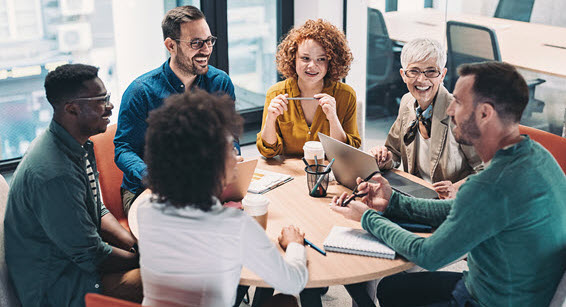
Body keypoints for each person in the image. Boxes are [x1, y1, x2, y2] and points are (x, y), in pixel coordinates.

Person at [331, 61, 566, 306]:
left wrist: (368, 217)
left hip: (485, 301)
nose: (450, 110)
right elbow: (458, 209)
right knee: (392, 288)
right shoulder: (536, 156)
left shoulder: (491, 185)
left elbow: (428, 255)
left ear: (484, 113)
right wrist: (392, 202)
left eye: (459, 102)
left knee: (393, 288)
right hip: (502, 288)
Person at [137, 89, 308, 306]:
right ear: (207, 163)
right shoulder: (233, 225)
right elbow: (293, 282)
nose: (236, 156)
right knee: (286, 301)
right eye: (228, 148)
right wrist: (295, 245)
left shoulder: (146, 210)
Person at [4, 64, 142, 306]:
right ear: (72, 109)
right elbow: (91, 255)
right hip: (59, 289)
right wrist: (144, 259)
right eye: (102, 100)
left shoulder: (75, 144)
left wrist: (133, 244)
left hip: (73, 265)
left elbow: (96, 208)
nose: (110, 107)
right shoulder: (54, 173)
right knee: (169, 278)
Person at [114, 5, 238, 216]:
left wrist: (233, 155)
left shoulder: (221, 83)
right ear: (171, 45)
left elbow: (230, 136)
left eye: (209, 41)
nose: (206, 50)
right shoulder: (140, 92)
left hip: (204, 184)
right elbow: (123, 149)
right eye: (196, 43)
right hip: (148, 190)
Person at [368, 38, 482, 199]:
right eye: (414, 71)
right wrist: (382, 158)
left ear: (442, 75)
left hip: (449, 204)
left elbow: (488, 170)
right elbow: (393, 152)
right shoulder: (407, 102)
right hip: (414, 195)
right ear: (403, 75)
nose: (422, 79)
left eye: (431, 71)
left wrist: (457, 188)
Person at [257, 19, 361, 158]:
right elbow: (268, 151)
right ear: (293, 58)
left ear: (331, 61)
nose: (312, 66)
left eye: (321, 59)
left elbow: (347, 153)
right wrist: (270, 119)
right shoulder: (276, 93)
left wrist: (332, 118)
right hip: (290, 174)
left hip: (329, 174)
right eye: (305, 58)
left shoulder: (346, 95)